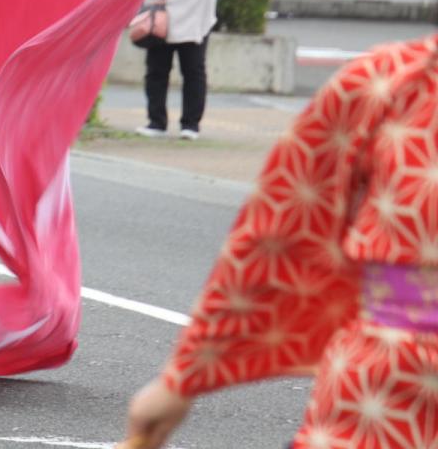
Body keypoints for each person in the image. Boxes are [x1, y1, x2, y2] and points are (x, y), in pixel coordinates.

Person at [121, 35, 438, 449]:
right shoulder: (387, 81)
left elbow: (281, 227)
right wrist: (183, 377)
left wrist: (182, 378)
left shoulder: (391, 79)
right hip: (386, 395)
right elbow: (280, 228)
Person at [135, 0, 222, 141]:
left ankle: (190, 124)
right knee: (156, 70)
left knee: (193, 70)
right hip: (161, 13)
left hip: (196, 13)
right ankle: (156, 122)